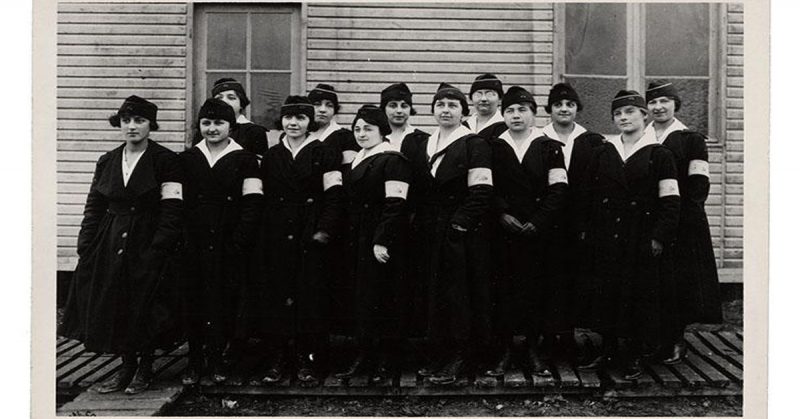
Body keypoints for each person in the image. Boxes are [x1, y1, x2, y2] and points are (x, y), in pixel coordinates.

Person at [59, 96, 183, 394]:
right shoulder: (108, 160)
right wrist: (86, 243)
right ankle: (125, 367)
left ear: (150, 125)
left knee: (147, 303)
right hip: (111, 238)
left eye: (139, 121)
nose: (132, 127)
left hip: (147, 239)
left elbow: (172, 208)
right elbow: (94, 206)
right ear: (119, 124)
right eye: (126, 121)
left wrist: (159, 245)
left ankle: (145, 368)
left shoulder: (166, 160)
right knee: (118, 302)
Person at [575, 90, 681, 380]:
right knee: (606, 292)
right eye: (618, 114)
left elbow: (670, 200)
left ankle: (633, 354)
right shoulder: (603, 152)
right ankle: (606, 349)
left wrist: (659, 236)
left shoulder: (660, 154)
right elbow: (588, 195)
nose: (623, 118)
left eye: (630, 112)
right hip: (606, 234)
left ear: (644, 116)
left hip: (640, 235)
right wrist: (586, 230)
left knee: (638, 294)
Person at [401, 83, 494, 385]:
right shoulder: (424, 144)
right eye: (440, 105)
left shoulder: (473, 143)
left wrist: (459, 224)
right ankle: (439, 354)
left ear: (463, 111)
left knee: (458, 295)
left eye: (452, 105)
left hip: (459, 232)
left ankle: (460, 358)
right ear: (432, 111)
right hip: (429, 230)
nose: (445, 110)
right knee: (434, 294)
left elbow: (481, 191)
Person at [255, 95, 345, 386]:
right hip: (277, 235)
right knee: (276, 299)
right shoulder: (271, 156)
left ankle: (309, 361)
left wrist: (324, 230)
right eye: (288, 118)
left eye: (300, 118)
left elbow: (334, 197)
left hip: (311, 234)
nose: (293, 123)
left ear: (309, 122)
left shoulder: (325, 152)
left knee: (310, 299)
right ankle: (278, 360)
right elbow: (261, 198)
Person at [178, 98, 263, 385]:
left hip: (230, 242)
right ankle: (194, 360)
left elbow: (253, 203)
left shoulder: (246, 159)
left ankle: (219, 359)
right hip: (196, 242)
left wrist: (240, 238)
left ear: (231, 126)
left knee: (225, 301)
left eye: (219, 123)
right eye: (206, 123)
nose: (212, 129)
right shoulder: (187, 159)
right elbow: (178, 203)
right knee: (194, 301)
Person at [486, 86, 569, 377]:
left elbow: (559, 189)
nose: (516, 115)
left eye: (522, 110)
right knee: (503, 291)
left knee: (537, 291)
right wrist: (501, 213)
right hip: (504, 231)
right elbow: (487, 186)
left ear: (534, 113)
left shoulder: (549, 146)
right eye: (509, 110)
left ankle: (533, 350)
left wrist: (540, 220)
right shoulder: (494, 146)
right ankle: (505, 351)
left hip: (538, 233)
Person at [645, 80, 722, 364]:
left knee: (677, 282)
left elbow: (699, 184)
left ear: (675, 104)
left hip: (683, 222)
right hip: (648, 219)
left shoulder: (690, 139)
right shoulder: (643, 136)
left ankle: (675, 339)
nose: (658, 107)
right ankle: (651, 338)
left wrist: (678, 221)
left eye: (664, 101)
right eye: (652, 102)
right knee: (652, 280)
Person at [334, 105, 412, 383]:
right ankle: (364, 356)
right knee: (363, 299)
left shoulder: (392, 160)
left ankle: (385, 363)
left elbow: (395, 204)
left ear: (382, 131)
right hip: (358, 237)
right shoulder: (358, 159)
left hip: (381, 239)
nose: (361, 133)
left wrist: (382, 240)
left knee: (383, 299)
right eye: (357, 129)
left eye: (368, 128)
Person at [541, 83, 606, 362]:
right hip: (544, 221)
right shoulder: (538, 138)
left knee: (572, 279)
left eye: (569, 104)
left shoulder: (591, 141)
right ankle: (546, 338)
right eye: (558, 105)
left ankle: (568, 338)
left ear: (577, 109)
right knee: (546, 279)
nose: (564, 109)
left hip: (577, 222)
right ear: (550, 109)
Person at [193, 78, 270, 158]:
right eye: (219, 98)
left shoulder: (254, 131)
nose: (225, 101)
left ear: (241, 104)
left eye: (231, 98)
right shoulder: (205, 130)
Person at [308, 83, 360, 165]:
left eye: (329, 105)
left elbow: (348, 168)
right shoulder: (301, 134)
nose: (323, 110)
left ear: (335, 110)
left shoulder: (346, 137)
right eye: (317, 104)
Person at [380, 82, 430, 151]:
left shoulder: (422, 139)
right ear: (384, 108)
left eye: (404, 106)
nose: (399, 111)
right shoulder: (376, 137)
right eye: (393, 106)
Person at [464, 73, 508, 140]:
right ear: (470, 99)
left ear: (500, 99)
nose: (483, 99)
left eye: (489, 94)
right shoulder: (464, 126)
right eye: (478, 94)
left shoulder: (507, 126)